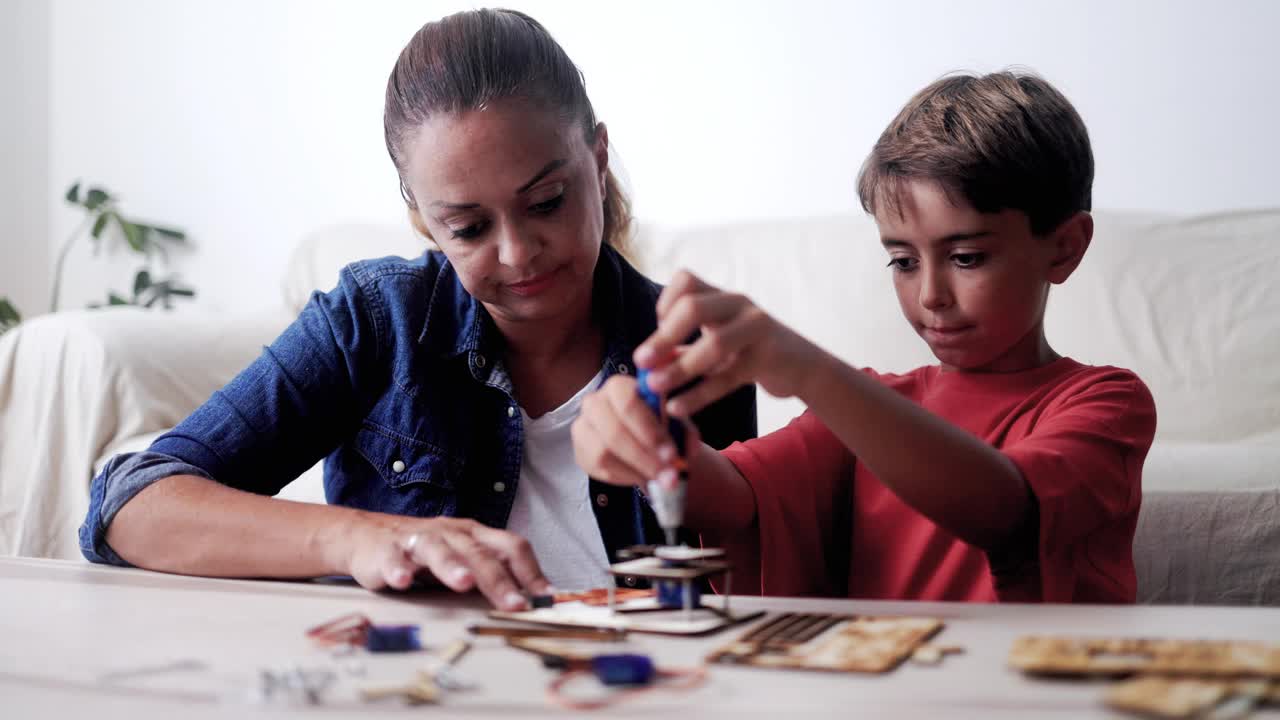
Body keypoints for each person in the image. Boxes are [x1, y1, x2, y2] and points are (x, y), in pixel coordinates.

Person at [78, 8, 755, 611]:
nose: (518, 254)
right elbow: (129, 502)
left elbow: (754, 584)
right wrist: (362, 539)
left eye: (546, 201)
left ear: (597, 158)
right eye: (468, 227)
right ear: (424, 220)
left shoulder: (692, 344)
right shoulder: (376, 322)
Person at [572, 71, 1156, 603]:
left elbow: (1006, 510)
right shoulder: (867, 406)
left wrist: (809, 369)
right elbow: (732, 496)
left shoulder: (1107, 403)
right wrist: (644, 439)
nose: (931, 294)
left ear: (1065, 247)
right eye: (902, 262)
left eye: (968, 257)